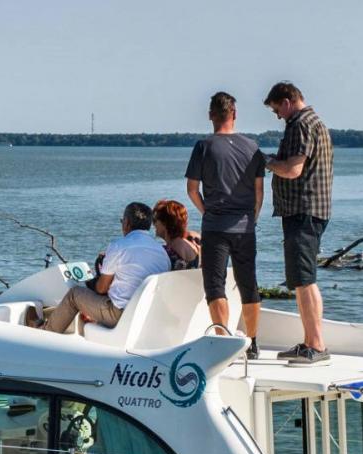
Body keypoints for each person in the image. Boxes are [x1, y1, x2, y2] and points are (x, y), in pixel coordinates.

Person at [185, 91, 266, 356]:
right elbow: (259, 193)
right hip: (245, 227)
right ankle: (252, 342)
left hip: (215, 226)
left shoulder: (203, 147)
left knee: (215, 286)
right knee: (248, 285)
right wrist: (251, 218)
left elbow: (192, 189)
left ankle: (224, 341)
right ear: (234, 114)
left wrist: (206, 210)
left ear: (211, 116)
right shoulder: (252, 147)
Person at [263, 81, 334, 365]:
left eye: (276, 109)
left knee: (304, 280)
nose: (277, 116)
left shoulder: (300, 124)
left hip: (303, 210)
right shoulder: (316, 122)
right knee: (304, 278)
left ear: (287, 101)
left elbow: (292, 170)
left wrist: (266, 161)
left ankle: (315, 346)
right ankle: (310, 341)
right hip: (313, 209)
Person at [35, 202, 169, 333]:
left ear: (127, 223)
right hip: (146, 315)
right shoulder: (161, 252)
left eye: (122, 221)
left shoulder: (119, 246)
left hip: (120, 314)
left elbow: (101, 288)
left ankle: (46, 332)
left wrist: (94, 280)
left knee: (74, 294)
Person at [152, 200, 200, 271]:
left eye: (155, 220)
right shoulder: (194, 245)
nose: (153, 224)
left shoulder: (166, 252)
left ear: (165, 223)